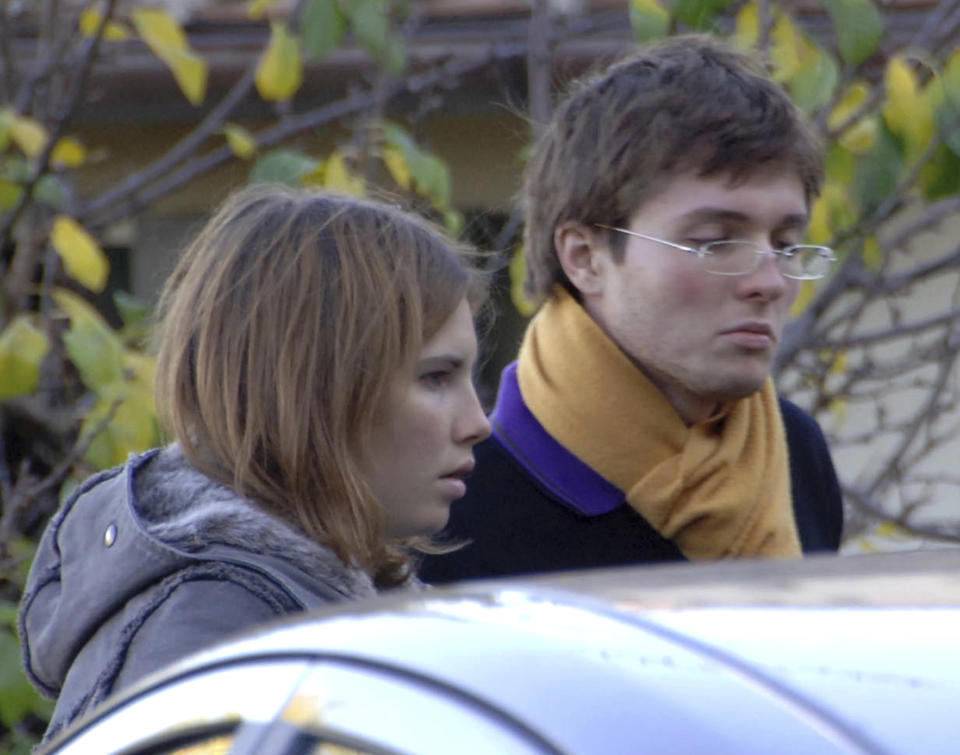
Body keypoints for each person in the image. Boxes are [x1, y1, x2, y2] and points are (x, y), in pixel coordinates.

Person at [19, 185, 491, 740]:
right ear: (317, 391)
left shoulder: (295, 606)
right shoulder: (218, 638)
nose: (478, 422)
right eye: (436, 377)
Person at [419, 34, 843, 584]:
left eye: (786, 245)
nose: (769, 281)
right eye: (715, 242)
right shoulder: (452, 502)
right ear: (584, 257)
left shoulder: (793, 450)